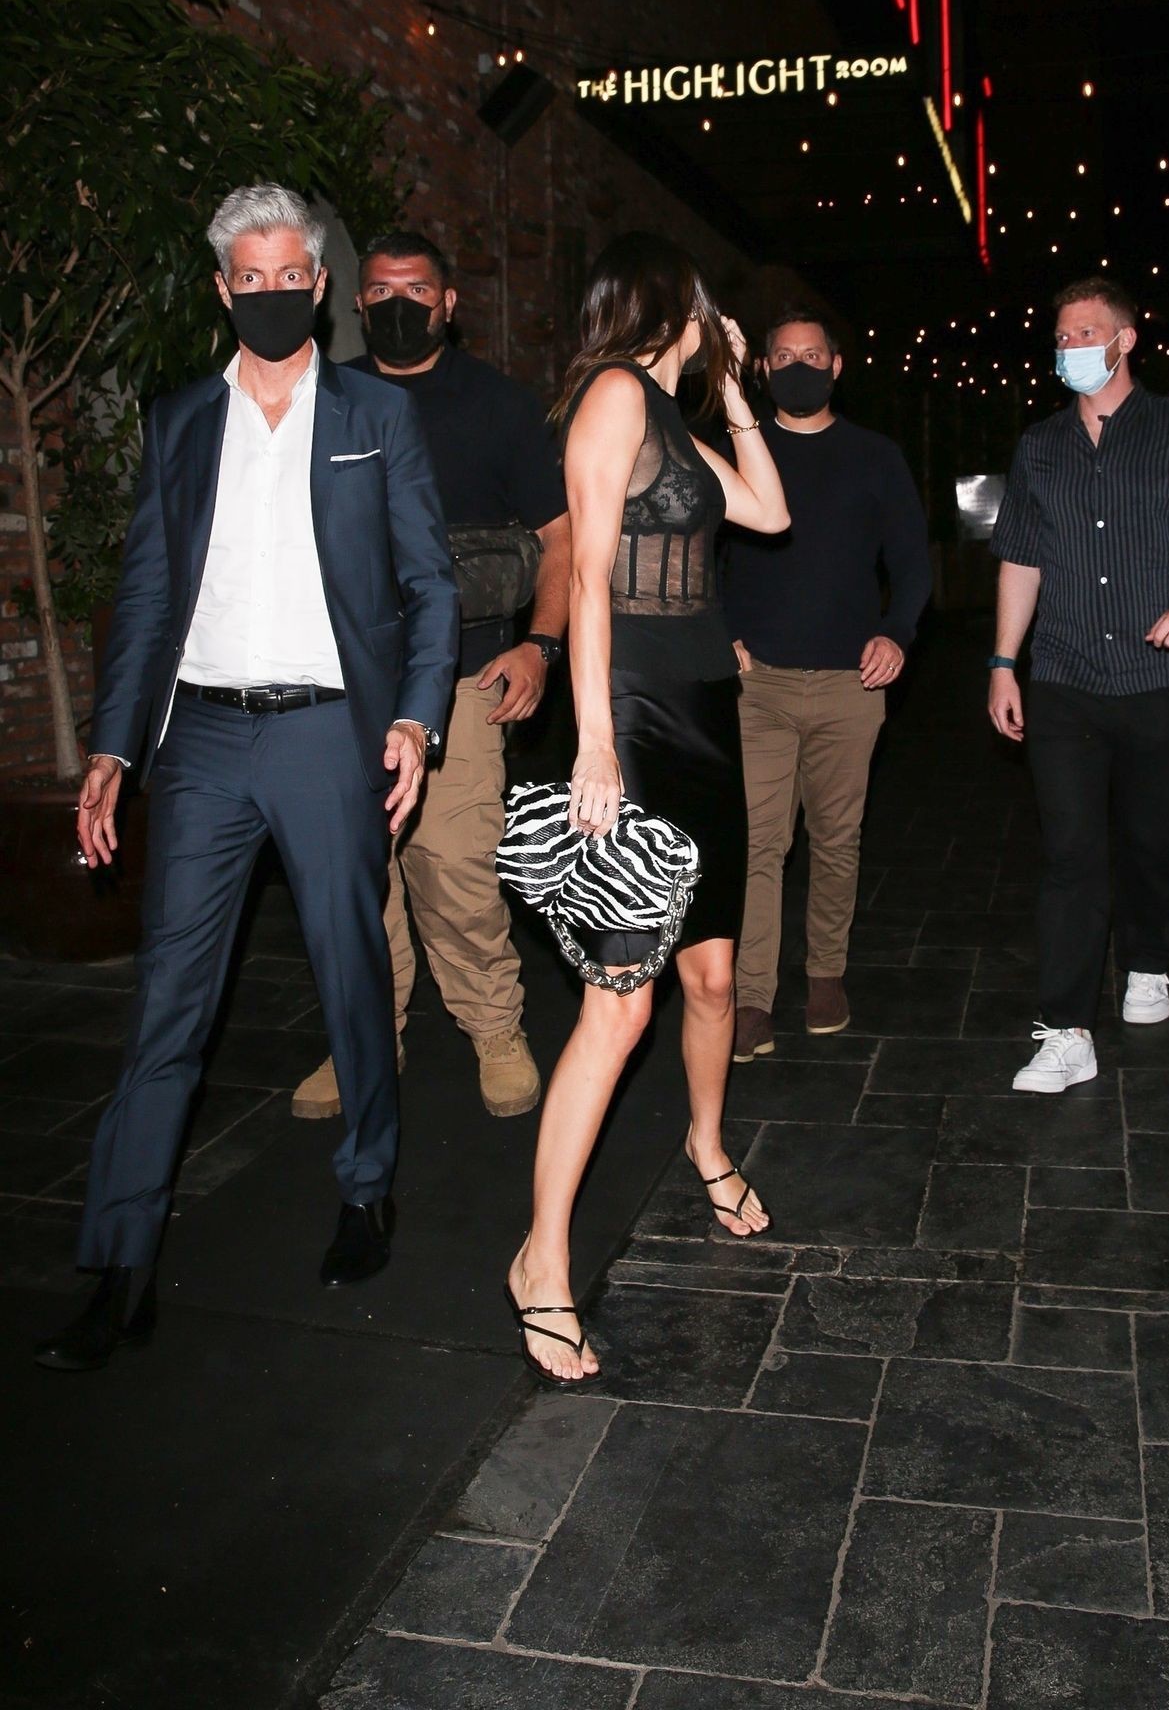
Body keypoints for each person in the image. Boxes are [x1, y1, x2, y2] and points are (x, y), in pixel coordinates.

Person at [34, 185, 459, 1372]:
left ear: (319, 287)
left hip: (329, 734)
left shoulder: (376, 413)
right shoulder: (179, 420)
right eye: (250, 279)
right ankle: (121, 1264)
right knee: (168, 1002)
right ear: (223, 290)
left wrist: (416, 719)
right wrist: (113, 748)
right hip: (204, 745)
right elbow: (146, 595)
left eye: (290, 277)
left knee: (349, 971)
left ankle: (366, 1187)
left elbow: (428, 584)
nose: (272, 295)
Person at [505, 233, 789, 1385]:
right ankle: (542, 1260)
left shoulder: (674, 413)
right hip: (629, 719)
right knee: (618, 1009)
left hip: (707, 717)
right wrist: (594, 744)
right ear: (673, 302)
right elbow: (585, 574)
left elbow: (765, 510)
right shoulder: (614, 394)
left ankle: (706, 1143)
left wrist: (736, 392)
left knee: (711, 976)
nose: (717, 316)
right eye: (706, 304)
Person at [289, 233, 569, 1122]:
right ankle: (366, 1038)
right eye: (380, 291)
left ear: (449, 303)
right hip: (339, 679)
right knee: (351, 875)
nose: (398, 305)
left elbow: (560, 538)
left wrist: (541, 645)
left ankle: (494, 1028)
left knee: (454, 866)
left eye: (417, 290)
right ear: (354, 302)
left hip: (464, 672)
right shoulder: (320, 397)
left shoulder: (500, 406)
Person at [988, 274, 1169, 1096]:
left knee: (1150, 837)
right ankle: (1066, 1029)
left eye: (1087, 333)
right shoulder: (1040, 446)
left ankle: (1147, 958)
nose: (1072, 347)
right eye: (1062, 336)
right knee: (1070, 852)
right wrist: (1003, 662)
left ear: (1126, 339)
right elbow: (1021, 558)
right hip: (1064, 674)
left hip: (1154, 674)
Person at [722, 308, 931, 1057]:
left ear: (837, 366)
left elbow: (912, 562)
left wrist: (896, 633)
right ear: (763, 368)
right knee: (759, 843)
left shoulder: (875, 456)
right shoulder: (738, 450)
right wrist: (720, 632)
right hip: (758, 685)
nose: (799, 367)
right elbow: (697, 554)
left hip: (851, 682)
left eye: (813, 355)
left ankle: (825, 976)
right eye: (784, 356)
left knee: (837, 839)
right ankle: (752, 998)